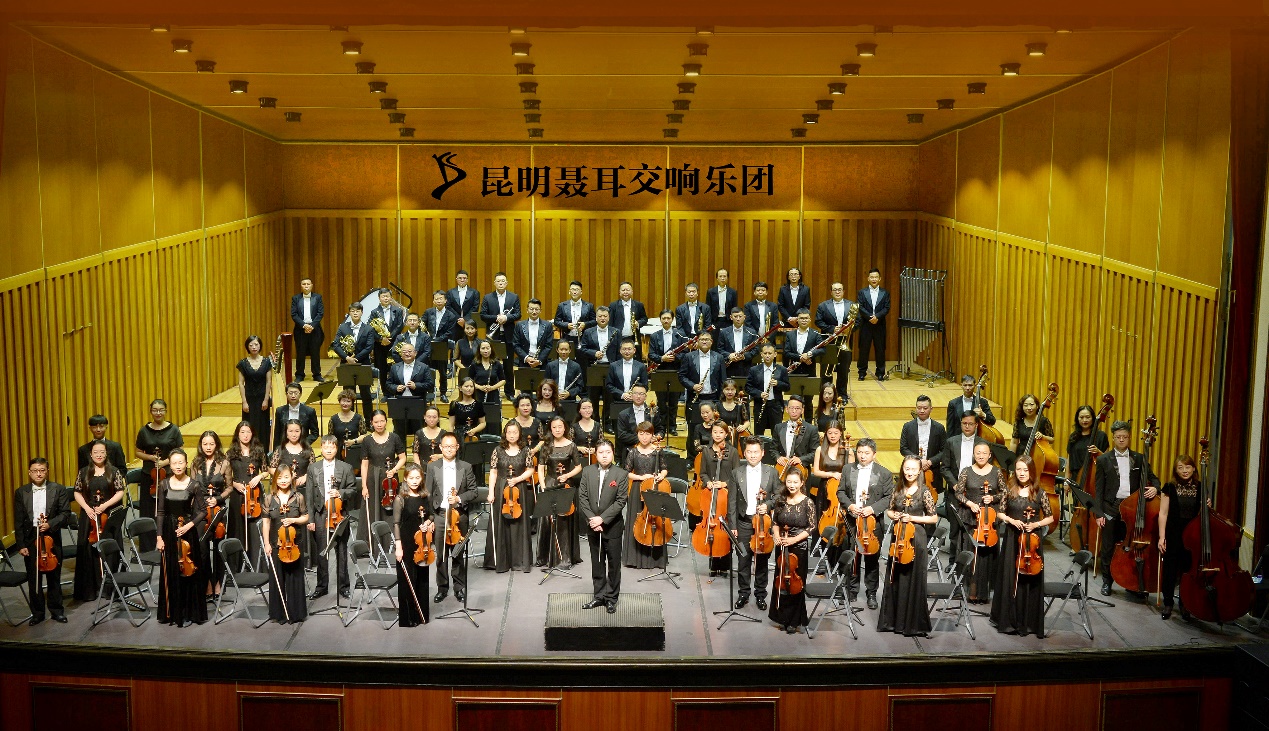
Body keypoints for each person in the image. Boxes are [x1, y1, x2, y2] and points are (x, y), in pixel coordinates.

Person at [1094, 420, 1160, 596]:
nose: (1121, 440)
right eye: (1118, 437)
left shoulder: (1139, 458)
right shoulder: (1103, 459)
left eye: (1124, 437)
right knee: (1108, 546)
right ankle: (1107, 581)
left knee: (1130, 547)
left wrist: (1155, 488)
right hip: (1110, 507)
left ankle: (1131, 583)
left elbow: (1154, 478)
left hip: (1132, 509)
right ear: (1113, 438)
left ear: (1129, 437)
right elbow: (1098, 489)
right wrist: (1098, 514)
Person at [991, 455, 1053, 637]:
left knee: (1030, 579)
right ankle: (1009, 620)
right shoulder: (1009, 490)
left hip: (1032, 540)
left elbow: (1050, 517)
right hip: (1012, 538)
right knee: (1010, 577)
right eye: (1018, 469)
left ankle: (1029, 622)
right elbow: (1000, 513)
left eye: (1025, 470)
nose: (1022, 473)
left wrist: (1036, 524)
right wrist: (1011, 520)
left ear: (1031, 471)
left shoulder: (1039, 492)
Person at [877, 455, 937, 637]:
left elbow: (933, 518)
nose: (910, 472)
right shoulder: (898, 489)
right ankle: (893, 622)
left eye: (913, 469)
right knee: (895, 577)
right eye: (907, 469)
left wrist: (912, 518)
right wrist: (894, 515)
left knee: (913, 578)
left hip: (915, 539)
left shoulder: (924, 491)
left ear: (919, 471)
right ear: (903, 469)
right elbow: (889, 510)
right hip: (899, 537)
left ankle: (912, 623)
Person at [837, 438, 893, 609]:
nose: (862, 456)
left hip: (873, 523)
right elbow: (840, 492)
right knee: (852, 557)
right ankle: (851, 590)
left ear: (874, 454)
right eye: (860, 452)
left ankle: (871, 593)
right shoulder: (847, 469)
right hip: (852, 521)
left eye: (866, 453)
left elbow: (888, 497)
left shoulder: (884, 473)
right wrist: (850, 506)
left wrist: (872, 509)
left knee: (872, 559)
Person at [14, 458, 71, 625]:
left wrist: (50, 524)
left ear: (47, 471)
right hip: (31, 537)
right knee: (34, 578)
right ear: (29, 472)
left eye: (42, 470)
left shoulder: (58, 489)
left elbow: (65, 513)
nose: (38, 474)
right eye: (35, 471)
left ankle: (57, 611)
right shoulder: (21, 492)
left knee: (54, 576)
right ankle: (37, 613)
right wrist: (21, 544)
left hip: (51, 537)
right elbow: (18, 520)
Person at [155, 449, 208, 627]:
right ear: (169, 465)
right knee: (171, 571)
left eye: (181, 462)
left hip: (187, 533)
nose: (178, 466)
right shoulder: (163, 484)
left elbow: (203, 511)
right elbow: (161, 512)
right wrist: (159, 537)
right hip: (169, 533)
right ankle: (173, 613)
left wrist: (189, 525)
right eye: (174, 463)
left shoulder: (194, 485)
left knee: (189, 572)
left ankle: (190, 612)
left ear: (186, 463)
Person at [304, 435, 358, 601]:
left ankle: (343, 587)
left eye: (332, 447)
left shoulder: (346, 467)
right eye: (325, 447)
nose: (328, 450)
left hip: (339, 514)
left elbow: (353, 490)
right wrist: (310, 519)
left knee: (341, 550)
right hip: (320, 513)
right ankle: (321, 586)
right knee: (322, 551)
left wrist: (340, 493)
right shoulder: (313, 468)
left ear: (337, 448)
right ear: (321, 448)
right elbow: (309, 496)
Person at [427, 434, 479, 603]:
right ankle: (442, 588)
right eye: (446, 446)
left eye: (452, 446)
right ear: (440, 448)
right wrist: (430, 518)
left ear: (457, 447)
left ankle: (459, 587)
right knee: (441, 555)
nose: (449, 449)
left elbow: (474, 491)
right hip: (440, 515)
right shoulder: (432, 466)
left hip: (459, 516)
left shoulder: (466, 466)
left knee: (458, 554)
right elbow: (428, 493)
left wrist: (458, 498)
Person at [952, 443, 1006, 603]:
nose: (981, 456)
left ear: (990, 455)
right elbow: (958, 493)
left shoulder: (996, 472)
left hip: (989, 519)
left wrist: (993, 498)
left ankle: (984, 592)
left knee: (986, 556)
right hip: (971, 518)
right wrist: (969, 503)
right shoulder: (966, 471)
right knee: (971, 552)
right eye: (978, 453)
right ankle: (970, 590)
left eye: (984, 453)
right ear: (973, 455)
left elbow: (1005, 492)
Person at [72, 442, 126, 601]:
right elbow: (77, 492)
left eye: (102, 452)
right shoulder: (83, 472)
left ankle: (110, 589)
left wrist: (104, 506)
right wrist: (87, 508)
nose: (99, 455)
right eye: (96, 452)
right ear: (91, 454)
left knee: (110, 549)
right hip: (89, 516)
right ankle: (91, 589)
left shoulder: (114, 471)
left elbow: (120, 492)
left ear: (106, 453)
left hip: (107, 515)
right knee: (88, 550)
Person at [729, 438, 779, 610]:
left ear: (762, 453)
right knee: (743, 560)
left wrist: (768, 505)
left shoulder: (772, 472)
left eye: (756, 452)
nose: (752, 455)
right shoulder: (736, 473)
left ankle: (760, 594)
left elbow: (778, 495)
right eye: (749, 452)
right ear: (744, 453)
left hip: (763, 524)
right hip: (743, 523)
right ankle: (743, 593)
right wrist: (733, 526)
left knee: (762, 560)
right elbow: (732, 502)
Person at [579, 440, 628, 613]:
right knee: (597, 563)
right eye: (601, 452)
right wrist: (593, 520)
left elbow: (621, 501)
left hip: (612, 526)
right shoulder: (587, 471)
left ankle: (611, 598)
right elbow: (582, 498)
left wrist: (602, 519)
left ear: (613, 453)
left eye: (608, 452)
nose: (604, 455)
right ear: (595, 454)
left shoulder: (621, 474)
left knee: (614, 564)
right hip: (593, 526)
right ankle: (599, 596)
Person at [768, 468, 817, 634]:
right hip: (782, 545)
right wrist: (776, 536)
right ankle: (781, 617)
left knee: (796, 584)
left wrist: (793, 540)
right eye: (789, 481)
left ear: (802, 483)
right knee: (781, 581)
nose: (792, 485)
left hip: (799, 547)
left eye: (795, 482)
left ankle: (794, 620)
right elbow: (775, 522)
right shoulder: (780, 500)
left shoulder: (808, 502)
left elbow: (811, 527)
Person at [260, 464, 309, 624]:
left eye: (286, 477)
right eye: (280, 477)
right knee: (277, 579)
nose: (283, 480)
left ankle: (296, 613)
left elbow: (306, 517)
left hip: (295, 543)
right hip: (277, 544)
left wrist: (293, 520)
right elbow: (266, 523)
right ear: (275, 479)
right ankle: (279, 613)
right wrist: (266, 543)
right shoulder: (269, 499)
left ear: (291, 478)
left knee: (295, 577)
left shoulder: (298, 497)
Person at [485, 421, 536, 573]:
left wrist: (517, 479)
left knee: (519, 524)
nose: (512, 435)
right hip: (501, 488)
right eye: (509, 432)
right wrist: (491, 492)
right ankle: (500, 560)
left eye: (515, 432)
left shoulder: (526, 450)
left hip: (519, 489)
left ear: (519, 434)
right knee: (501, 524)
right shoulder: (498, 450)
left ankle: (519, 560)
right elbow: (493, 472)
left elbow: (530, 470)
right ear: (505, 433)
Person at [938, 412, 989, 563]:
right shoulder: (951, 442)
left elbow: (986, 468)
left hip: (974, 494)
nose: (967, 426)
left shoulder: (983, 444)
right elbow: (944, 468)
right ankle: (953, 562)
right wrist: (955, 485)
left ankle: (972, 562)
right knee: (954, 529)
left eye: (970, 424)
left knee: (972, 528)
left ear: (976, 425)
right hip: (955, 492)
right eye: (964, 423)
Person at [135, 399, 184, 553]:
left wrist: (165, 462)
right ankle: (148, 545)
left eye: (161, 410)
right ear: (151, 411)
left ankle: (169, 542)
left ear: (165, 411)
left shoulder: (173, 430)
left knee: (168, 509)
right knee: (149, 510)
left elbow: (180, 451)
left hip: (168, 474)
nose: (158, 413)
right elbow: (138, 452)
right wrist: (150, 458)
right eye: (155, 410)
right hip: (149, 476)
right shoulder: (144, 431)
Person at [1158, 455, 1202, 621]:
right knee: (1170, 569)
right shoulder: (1169, 487)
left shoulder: (1200, 487)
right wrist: (1162, 537)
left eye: (1188, 467)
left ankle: (1185, 604)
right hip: (1173, 533)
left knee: (1187, 570)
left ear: (1194, 468)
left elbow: (1202, 512)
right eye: (1180, 468)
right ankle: (1168, 603)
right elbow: (1163, 513)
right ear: (1175, 470)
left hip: (1192, 536)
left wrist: (1207, 505)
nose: (1185, 471)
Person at [622, 423, 669, 570]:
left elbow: (664, 468)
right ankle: (635, 558)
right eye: (641, 433)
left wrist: (661, 476)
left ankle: (655, 560)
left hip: (654, 487)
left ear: (652, 435)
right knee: (637, 520)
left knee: (655, 520)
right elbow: (626, 472)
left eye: (647, 434)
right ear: (637, 434)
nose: (644, 437)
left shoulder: (658, 451)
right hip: (638, 488)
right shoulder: (633, 452)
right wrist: (641, 477)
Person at [540, 417, 584, 569]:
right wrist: (543, 486)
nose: (557, 430)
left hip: (566, 484)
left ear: (564, 428)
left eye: (560, 427)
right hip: (550, 483)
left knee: (565, 520)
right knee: (548, 520)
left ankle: (565, 557)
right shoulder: (546, 446)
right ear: (550, 429)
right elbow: (541, 468)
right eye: (554, 427)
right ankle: (547, 557)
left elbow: (578, 467)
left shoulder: (571, 445)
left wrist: (567, 475)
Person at [391, 463, 432, 626]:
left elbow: (431, 515)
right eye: (411, 478)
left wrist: (427, 523)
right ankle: (408, 618)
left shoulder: (425, 496)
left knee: (422, 578)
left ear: (422, 478)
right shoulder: (400, 499)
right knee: (407, 581)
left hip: (422, 544)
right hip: (406, 543)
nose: (414, 481)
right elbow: (396, 524)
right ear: (405, 479)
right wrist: (398, 547)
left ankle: (421, 616)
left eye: (417, 477)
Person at [224, 421, 267, 567]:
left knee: (255, 528)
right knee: (238, 527)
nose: (245, 435)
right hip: (238, 495)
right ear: (238, 434)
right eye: (242, 432)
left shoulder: (258, 450)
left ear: (252, 434)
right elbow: (225, 475)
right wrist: (234, 484)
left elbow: (266, 471)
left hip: (255, 494)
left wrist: (259, 477)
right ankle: (236, 565)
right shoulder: (231, 453)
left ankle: (256, 563)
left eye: (248, 432)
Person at [193, 431, 229, 600]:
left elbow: (229, 487)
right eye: (205, 444)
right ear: (201, 445)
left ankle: (218, 582)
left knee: (218, 547)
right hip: (200, 510)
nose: (208, 447)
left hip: (218, 509)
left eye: (211, 444)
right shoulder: (195, 463)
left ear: (217, 445)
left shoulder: (224, 463)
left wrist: (218, 499)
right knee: (202, 549)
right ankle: (206, 582)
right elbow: (192, 486)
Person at [361, 410, 407, 530]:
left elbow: (403, 458)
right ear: (371, 423)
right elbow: (364, 465)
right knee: (373, 506)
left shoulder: (394, 437)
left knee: (391, 507)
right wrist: (364, 486)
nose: (379, 424)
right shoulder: (367, 440)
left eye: (382, 421)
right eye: (376, 422)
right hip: (373, 478)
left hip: (390, 478)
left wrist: (394, 470)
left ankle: (391, 536)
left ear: (386, 421)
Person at [331, 301, 376, 419]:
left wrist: (355, 359)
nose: (355, 313)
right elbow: (336, 345)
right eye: (353, 311)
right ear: (349, 313)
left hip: (363, 364)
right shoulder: (342, 327)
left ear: (362, 313)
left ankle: (368, 421)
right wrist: (346, 358)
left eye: (357, 311)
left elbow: (369, 347)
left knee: (366, 395)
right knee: (348, 395)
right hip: (346, 364)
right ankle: (349, 421)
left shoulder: (368, 328)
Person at [477, 272, 518, 399]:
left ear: (506, 283)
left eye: (503, 281)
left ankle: (509, 392)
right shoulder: (487, 297)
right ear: (494, 283)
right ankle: (491, 390)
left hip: (508, 336)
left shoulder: (514, 297)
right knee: (491, 363)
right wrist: (496, 318)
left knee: (508, 365)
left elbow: (518, 314)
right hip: (493, 336)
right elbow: (483, 315)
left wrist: (506, 318)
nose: (501, 283)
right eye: (498, 281)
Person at [899, 395, 948, 496]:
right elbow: (903, 448)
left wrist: (930, 461)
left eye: (925, 408)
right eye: (919, 408)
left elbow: (945, 450)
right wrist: (919, 460)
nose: (922, 411)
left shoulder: (939, 428)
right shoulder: (907, 426)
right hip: (912, 470)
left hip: (933, 471)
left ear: (931, 409)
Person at [815, 282, 856, 397]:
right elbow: (818, 321)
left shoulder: (852, 305)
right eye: (835, 290)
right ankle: (826, 394)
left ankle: (842, 394)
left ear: (843, 291)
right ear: (831, 292)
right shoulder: (823, 306)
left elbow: (858, 322)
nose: (837, 292)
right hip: (829, 341)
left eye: (840, 290)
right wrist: (832, 329)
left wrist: (848, 330)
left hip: (845, 342)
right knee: (826, 370)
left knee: (844, 369)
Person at [387, 343, 435, 439]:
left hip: (417, 402)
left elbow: (430, 385)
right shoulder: (394, 367)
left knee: (419, 432)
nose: (407, 354)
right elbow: (388, 384)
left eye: (409, 351)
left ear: (415, 353)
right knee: (399, 431)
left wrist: (416, 386)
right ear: (401, 354)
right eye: (404, 352)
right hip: (400, 402)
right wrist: (395, 388)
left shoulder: (424, 367)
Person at [420, 290, 458, 399]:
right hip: (428, 345)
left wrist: (436, 340)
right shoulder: (428, 312)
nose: (439, 301)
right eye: (436, 299)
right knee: (428, 370)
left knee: (443, 371)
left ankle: (443, 393)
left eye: (441, 298)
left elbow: (450, 333)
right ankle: (430, 391)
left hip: (442, 345)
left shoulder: (451, 315)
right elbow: (422, 325)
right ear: (433, 301)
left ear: (445, 300)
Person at [369, 287, 407, 394]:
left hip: (394, 343)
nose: (386, 298)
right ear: (379, 298)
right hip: (379, 345)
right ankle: (386, 392)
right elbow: (370, 328)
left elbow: (400, 325)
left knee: (395, 368)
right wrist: (381, 339)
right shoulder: (374, 312)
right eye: (383, 296)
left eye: (388, 296)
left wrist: (389, 337)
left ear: (391, 298)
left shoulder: (398, 310)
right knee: (382, 369)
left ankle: (396, 391)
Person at [680, 331, 724, 425]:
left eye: (707, 339)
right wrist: (693, 386)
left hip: (713, 398)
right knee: (693, 426)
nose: (704, 342)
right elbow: (682, 376)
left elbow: (722, 380)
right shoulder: (688, 357)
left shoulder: (719, 357)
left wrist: (721, 399)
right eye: (701, 339)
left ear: (711, 342)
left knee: (713, 426)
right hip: (695, 398)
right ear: (697, 341)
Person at [747, 344, 790, 438]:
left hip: (776, 406)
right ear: (761, 354)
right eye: (765, 353)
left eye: (770, 353)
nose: (767, 355)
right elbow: (748, 387)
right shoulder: (754, 370)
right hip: (759, 405)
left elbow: (787, 387)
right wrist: (759, 394)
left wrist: (778, 383)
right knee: (758, 434)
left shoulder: (782, 370)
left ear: (775, 354)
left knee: (777, 434)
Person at [771, 397, 819, 481]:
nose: (794, 411)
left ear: (802, 410)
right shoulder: (778, 427)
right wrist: (778, 457)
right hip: (782, 469)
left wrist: (800, 459)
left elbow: (815, 453)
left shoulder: (811, 429)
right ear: (786, 409)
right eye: (791, 408)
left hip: (801, 471)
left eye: (797, 408)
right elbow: (773, 449)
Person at [605, 339, 649, 428]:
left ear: (634, 350)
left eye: (629, 349)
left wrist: (634, 395)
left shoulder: (641, 366)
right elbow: (609, 385)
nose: (627, 351)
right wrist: (622, 394)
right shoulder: (613, 366)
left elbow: (645, 386)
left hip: (635, 403)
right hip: (617, 402)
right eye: (624, 349)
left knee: (635, 429)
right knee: (618, 430)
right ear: (620, 351)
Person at [811, 420, 851, 517]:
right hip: (824, 488)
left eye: (836, 433)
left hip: (841, 488)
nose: (833, 436)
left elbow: (851, 473)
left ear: (840, 433)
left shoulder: (847, 451)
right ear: (826, 434)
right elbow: (816, 471)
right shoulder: (820, 450)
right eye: (830, 433)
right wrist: (832, 474)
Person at [855, 268, 890, 381]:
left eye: (876, 277)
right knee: (863, 349)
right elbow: (860, 306)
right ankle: (862, 372)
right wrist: (870, 317)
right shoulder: (862, 292)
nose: (874, 279)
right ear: (868, 279)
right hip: (866, 324)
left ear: (879, 279)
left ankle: (880, 372)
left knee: (880, 349)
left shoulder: (885, 293)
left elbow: (887, 308)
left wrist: (877, 317)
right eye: (872, 277)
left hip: (880, 325)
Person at [614, 384, 663, 462]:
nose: (638, 396)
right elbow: (622, 435)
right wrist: (643, 439)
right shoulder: (623, 414)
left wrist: (657, 437)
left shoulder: (653, 412)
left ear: (645, 396)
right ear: (631, 395)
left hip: (651, 450)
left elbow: (660, 430)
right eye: (636, 393)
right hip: (630, 450)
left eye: (641, 394)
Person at [1065, 404, 1110, 485]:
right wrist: (1066, 481)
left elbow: (1107, 460)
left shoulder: (1101, 436)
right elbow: (1069, 461)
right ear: (1077, 419)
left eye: (1088, 417)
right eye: (1081, 417)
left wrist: (1098, 452)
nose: (1084, 420)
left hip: (1095, 479)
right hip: (1075, 479)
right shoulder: (1073, 437)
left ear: (1093, 418)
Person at [290, 277, 325, 381]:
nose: (306, 286)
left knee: (315, 352)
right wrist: (304, 325)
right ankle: (299, 374)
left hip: (315, 329)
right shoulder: (295, 298)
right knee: (300, 353)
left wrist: (312, 326)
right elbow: (294, 314)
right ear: (301, 286)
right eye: (304, 284)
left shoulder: (318, 297)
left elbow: (320, 313)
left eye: (308, 284)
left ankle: (317, 374)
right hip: (300, 330)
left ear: (312, 285)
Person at [272, 381, 320, 449]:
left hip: (303, 447)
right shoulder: (280, 411)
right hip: (284, 447)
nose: (293, 395)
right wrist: (276, 450)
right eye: (290, 393)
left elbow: (315, 433)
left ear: (300, 394)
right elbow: (277, 433)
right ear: (286, 394)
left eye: (296, 393)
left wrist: (303, 443)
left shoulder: (309, 411)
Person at [545, 339, 585, 420]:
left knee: (569, 422)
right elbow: (546, 384)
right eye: (561, 349)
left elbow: (580, 386)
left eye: (566, 349)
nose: (563, 352)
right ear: (557, 350)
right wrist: (554, 393)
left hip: (569, 401)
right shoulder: (550, 365)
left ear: (570, 350)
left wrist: (569, 393)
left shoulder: (576, 366)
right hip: (553, 400)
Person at [269, 421, 312, 495]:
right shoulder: (280, 449)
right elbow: (271, 469)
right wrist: (286, 475)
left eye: (297, 431)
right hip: (284, 489)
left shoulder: (308, 449)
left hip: (304, 488)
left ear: (301, 432)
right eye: (290, 431)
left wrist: (306, 476)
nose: (294, 434)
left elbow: (313, 468)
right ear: (286, 433)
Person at [608, 282, 648, 361]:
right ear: (619, 292)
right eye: (623, 290)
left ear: (632, 292)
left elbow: (644, 318)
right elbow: (610, 323)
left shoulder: (638, 305)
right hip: (618, 338)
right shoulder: (613, 305)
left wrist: (638, 323)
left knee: (635, 361)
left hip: (633, 338)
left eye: (628, 290)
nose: (625, 292)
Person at [512, 298, 554, 372]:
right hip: (524, 362)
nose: (534, 312)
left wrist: (539, 360)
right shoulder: (519, 325)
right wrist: (526, 358)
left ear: (540, 310)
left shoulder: (548, 325)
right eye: (531, 309)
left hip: (542, 363)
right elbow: (516, 344)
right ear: (527, 310)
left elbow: (549, 346)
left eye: (536, 309)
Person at [328, 389, 367, 465]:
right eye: (343, 401)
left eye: (348, 401)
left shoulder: (358, 418)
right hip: (337, 451)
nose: (345, 404)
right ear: (339, 402)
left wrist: (353, 441)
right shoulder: (333, 419)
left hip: (354, 449)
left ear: (352, 403)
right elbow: (330, 437)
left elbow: (364, 435)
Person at [719, 307, 760, 380]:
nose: (738, 319)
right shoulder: (723, 332)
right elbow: (720, 349)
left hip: (746, 366)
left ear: (744, 317)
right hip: (729, 367)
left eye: (740, 316)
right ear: (731, 317)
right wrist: (729, 355)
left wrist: (744, 356)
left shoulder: (752, 332)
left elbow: (756, 350)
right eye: (735, 316)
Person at [553, 280, 596, 349]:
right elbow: (556, 321)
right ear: (569, 291)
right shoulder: (562, 305)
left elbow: (594, 321)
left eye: (577, 289)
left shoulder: (589, 306)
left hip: (584, 338)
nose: (574, 292)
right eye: (573, 289)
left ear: (581, 292)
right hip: (567, 338)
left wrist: (585, 324)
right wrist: (566, 325)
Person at [782, 309, 824, 377]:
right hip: (794, 371)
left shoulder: (816, 334)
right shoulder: (790, 335)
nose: (804, 320)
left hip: (810, 371)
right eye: (801, 318)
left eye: (806, 318)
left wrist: (809, 354)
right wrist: (801, 357)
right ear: (797, 320)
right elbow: (786, 353)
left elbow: (822, 350)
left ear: (810, 320)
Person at [470, 339, 506, 407]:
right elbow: (469, 380)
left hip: (493, 394)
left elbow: (503, 380)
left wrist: (492, 388)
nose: (485, 351)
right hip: (478, 393)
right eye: (483, 348)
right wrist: (480, 387)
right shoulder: (474, 364)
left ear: (491, 349)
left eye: (488, 348)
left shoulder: (497, 363)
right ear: (479, 350)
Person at [571, 399, 604, 465]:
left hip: (595, 458)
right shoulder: (574, 426)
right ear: (579, 411)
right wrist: (579, 448)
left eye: (589, 407)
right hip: (579, 459)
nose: (587, 410)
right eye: (584, 408)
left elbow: (602, 443)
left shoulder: (598, 425)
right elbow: (569, 445)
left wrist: (595, 449)